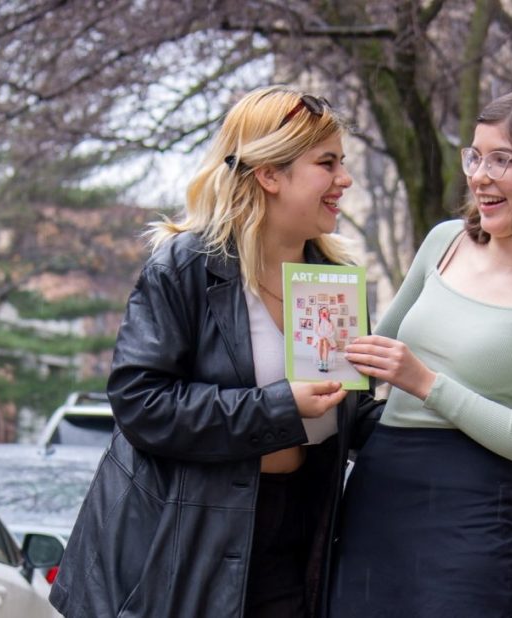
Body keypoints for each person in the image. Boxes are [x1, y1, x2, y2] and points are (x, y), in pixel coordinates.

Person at [49, 86, 382, 618]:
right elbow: (141, 403)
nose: (344, 179)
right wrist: (278, 406)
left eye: (342, 163)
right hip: (181, 551)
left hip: (295, 545)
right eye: (327, 163)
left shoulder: (333, 283)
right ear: (270, 174)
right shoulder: (185, 267)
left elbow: (347, 413)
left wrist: (441, 399)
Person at [328, 88, 512, 617]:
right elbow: (362, 363)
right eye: (474, 155)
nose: (479, 175)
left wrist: (428, 383)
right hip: (377, 496)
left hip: (473, 511)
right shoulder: (444, 241)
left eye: (501, 159)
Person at [314, 306, 337, 372]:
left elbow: (333, 332)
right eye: (322, 312)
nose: (324, 313)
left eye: (326, 312)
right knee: (321, 341)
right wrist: (320, 337)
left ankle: (325, 362)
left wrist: (327, 337)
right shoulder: (318, 321)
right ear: (320, 313)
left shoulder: (330, 322)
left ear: (328, 313)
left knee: (325, 341)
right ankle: (321, 362)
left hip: (328, 338)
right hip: (319, 338)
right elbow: (315, 332)